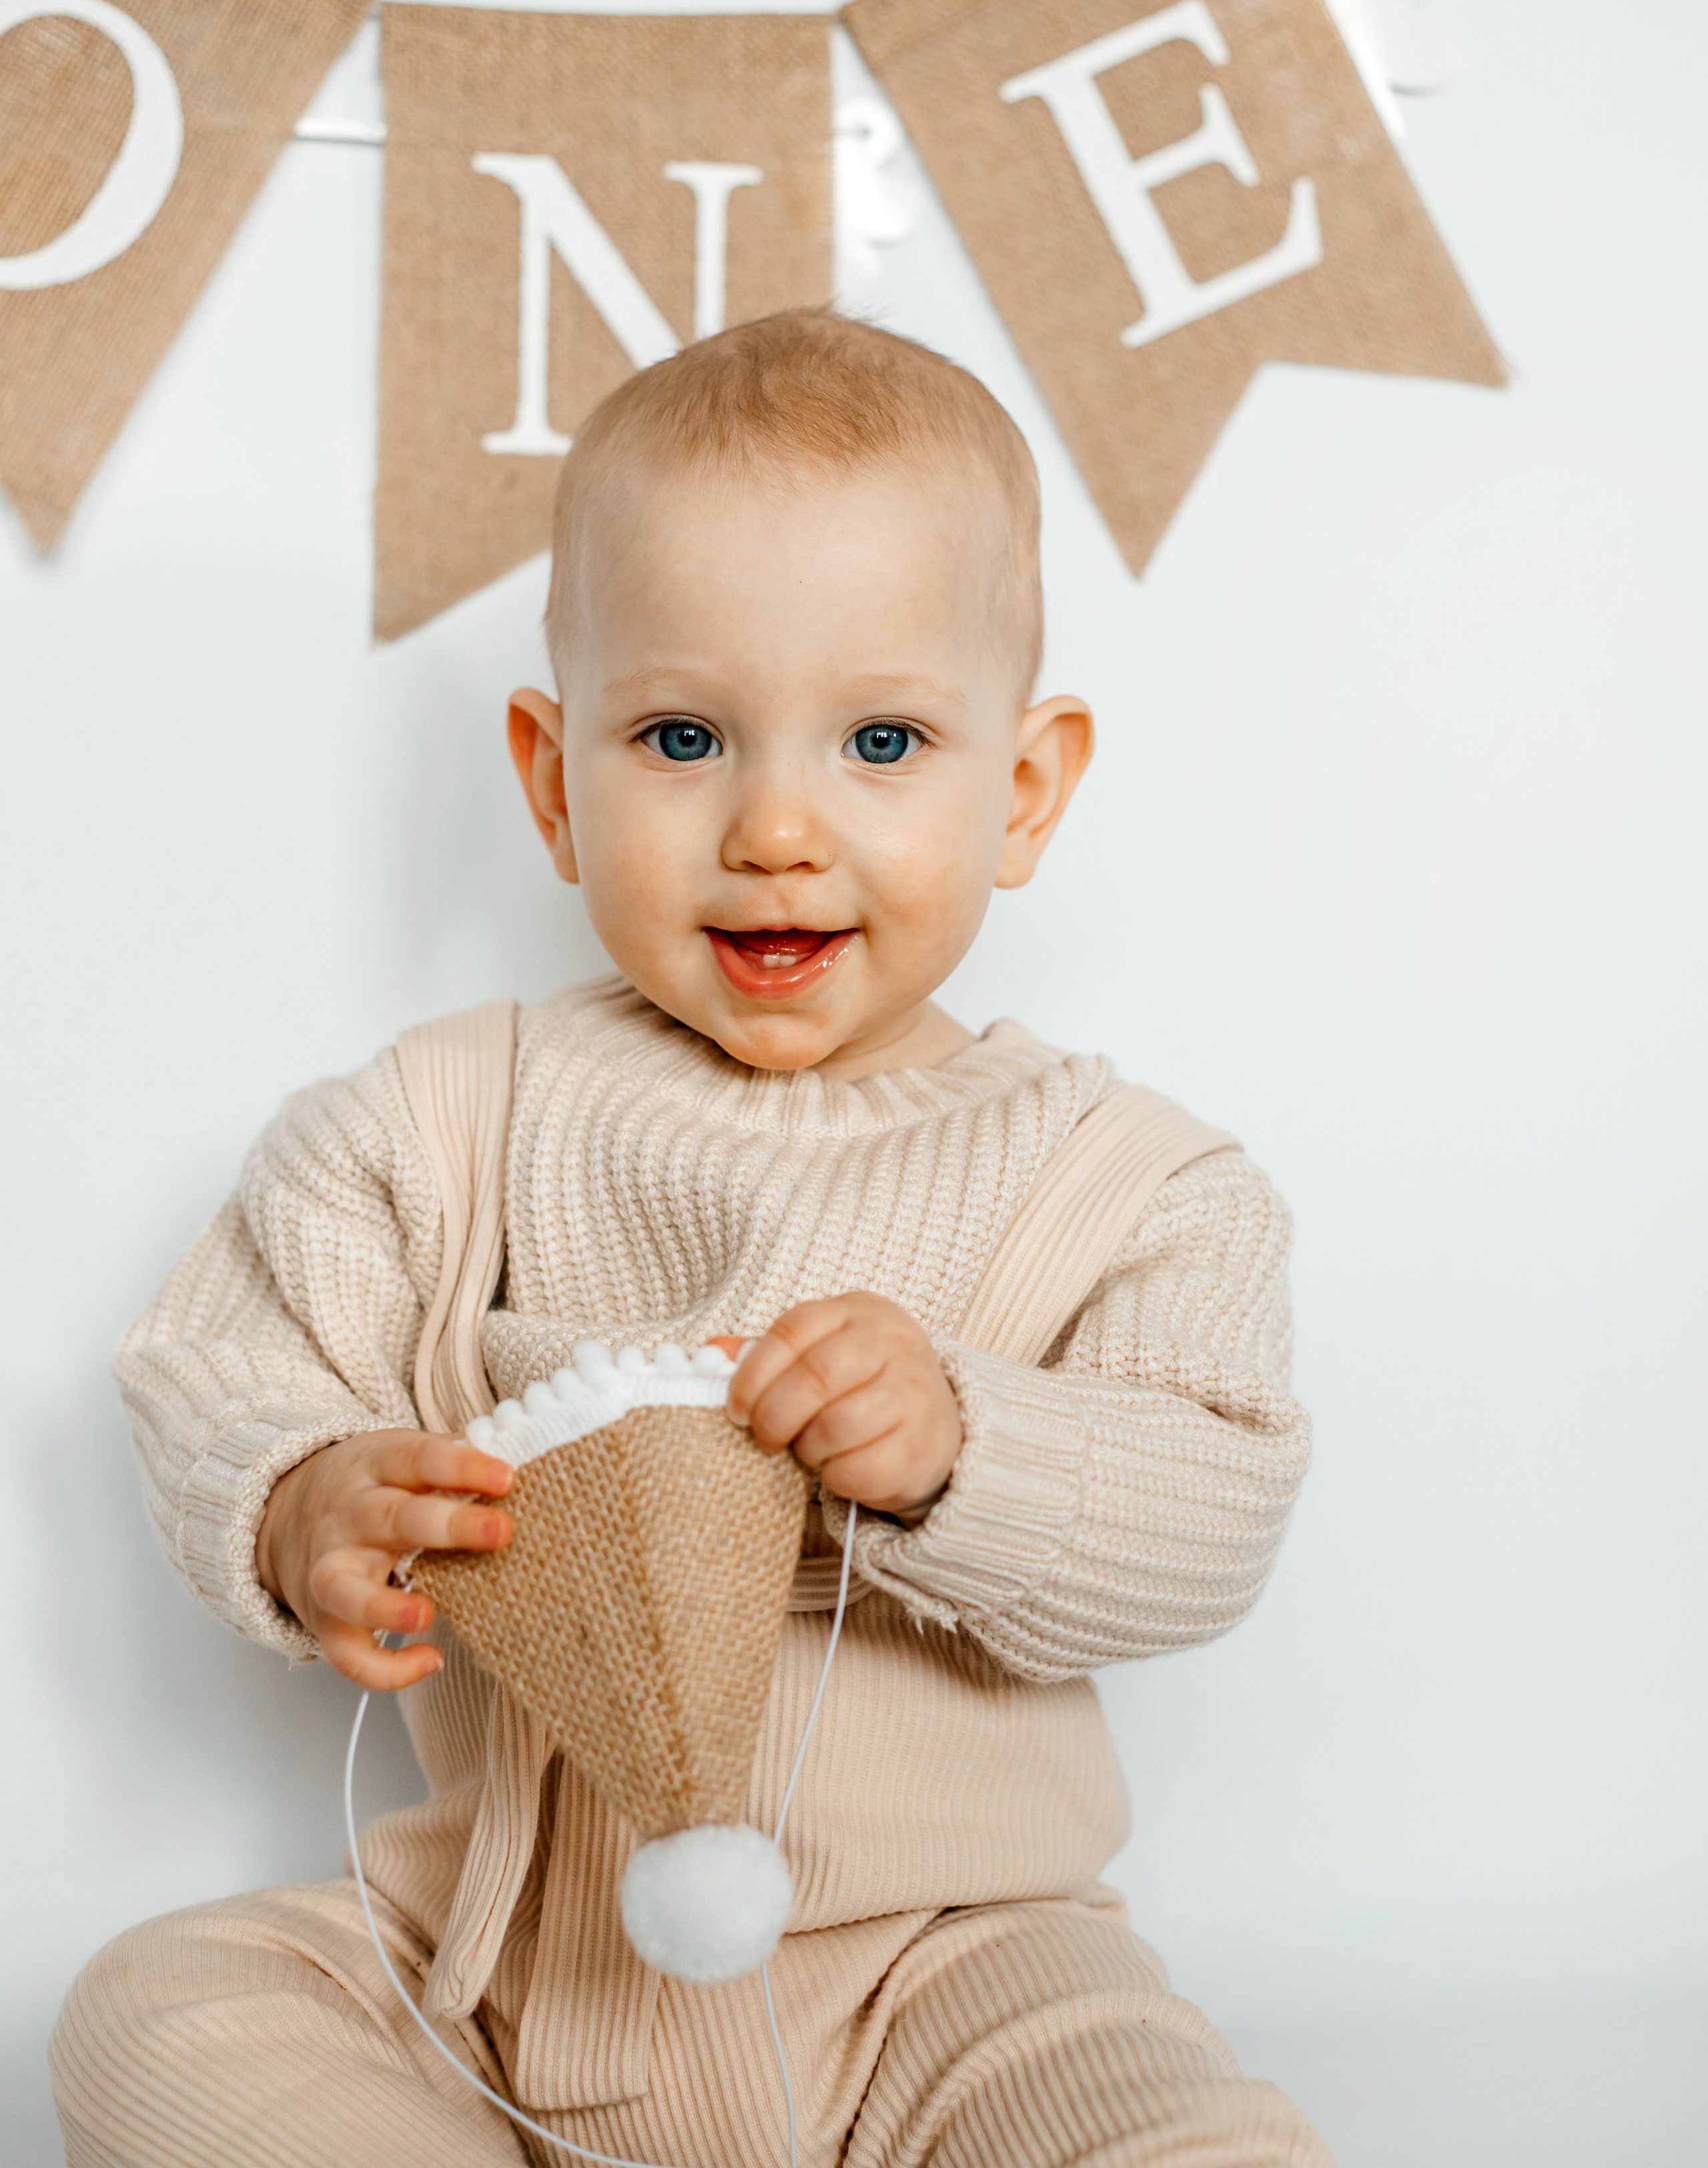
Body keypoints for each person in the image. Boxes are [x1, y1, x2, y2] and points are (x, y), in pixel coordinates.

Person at [52, 312, 1329, 2168]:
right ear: (557, 781)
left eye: (883, 739)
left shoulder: (1134, 1183)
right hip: (491, 1955)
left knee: (1162, 2130)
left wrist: (970, 1444)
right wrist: (299, 1498)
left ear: (1027, 789)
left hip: (948, 1975)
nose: (778, 827)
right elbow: (219, 1365)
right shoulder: (435, 1118)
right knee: (157, 2010)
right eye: (681, 737)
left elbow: (1214, 1518)